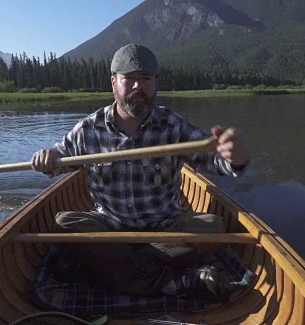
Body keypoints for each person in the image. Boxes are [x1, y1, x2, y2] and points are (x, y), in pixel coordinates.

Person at [31, 43, 250, 301]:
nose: (138, 87)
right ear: (114, 82)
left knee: (212, 226)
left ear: (155, 83)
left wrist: (234, 156)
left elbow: (215, 161)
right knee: (64, 224)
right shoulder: (87, 130)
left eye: (146, 78)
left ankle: (119, 273)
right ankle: (171, 283)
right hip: (110, 227)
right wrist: (48, 158)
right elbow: (59, 156)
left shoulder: (173, 125)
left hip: (165, 228)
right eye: (130, 78)